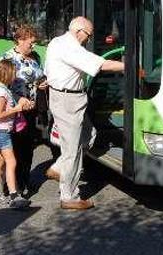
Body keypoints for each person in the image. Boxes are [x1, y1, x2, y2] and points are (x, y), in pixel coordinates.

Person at [44, 16, 124, 210]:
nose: (89, 39)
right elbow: (100, 65)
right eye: (89, 35)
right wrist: (128, 66)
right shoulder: (71, 49)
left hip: (66, 98)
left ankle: (59, 168)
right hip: (68, 101)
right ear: (79, 32)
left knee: (89, 136)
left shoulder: (57, 42)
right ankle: (69, 196)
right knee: (72, 151)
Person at [0, 24, 48, 196]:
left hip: (31, 109)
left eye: (34, 42)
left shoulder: (34, 57)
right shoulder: (7, 58)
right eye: (30, 42)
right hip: (15, 110)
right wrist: (19, 99)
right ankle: (13, 185)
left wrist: (42, 82)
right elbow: (2, 84)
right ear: (20, 40)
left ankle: (25, 179)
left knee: (28, 148)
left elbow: (39, 76)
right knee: (15, 149)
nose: (33, 46)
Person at [0, 59, 32, 210]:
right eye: (14, 72)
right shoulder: (1, 93)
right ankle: (14, 195)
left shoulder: (2, 89)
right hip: (1, 132)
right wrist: (17, 109)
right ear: (7, 74)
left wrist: (21, 104)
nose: (15, 75)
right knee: (11, 162)